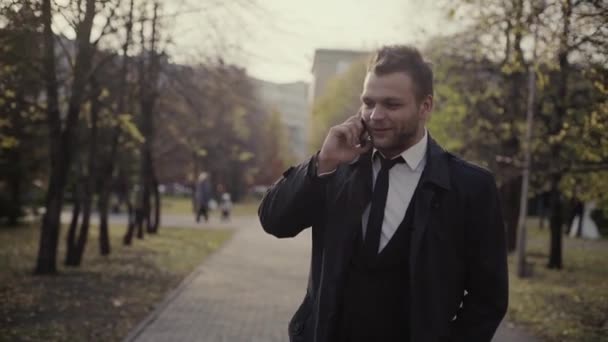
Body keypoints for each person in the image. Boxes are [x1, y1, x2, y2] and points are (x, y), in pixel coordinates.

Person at [258, 45, 508, 342]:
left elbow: (488, 298)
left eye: (391, 104)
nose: (375, 115)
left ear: (425, 106)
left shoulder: (470, 186)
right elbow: (275, 221)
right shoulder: (336, 168)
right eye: (368, 102)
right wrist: (321, 162)